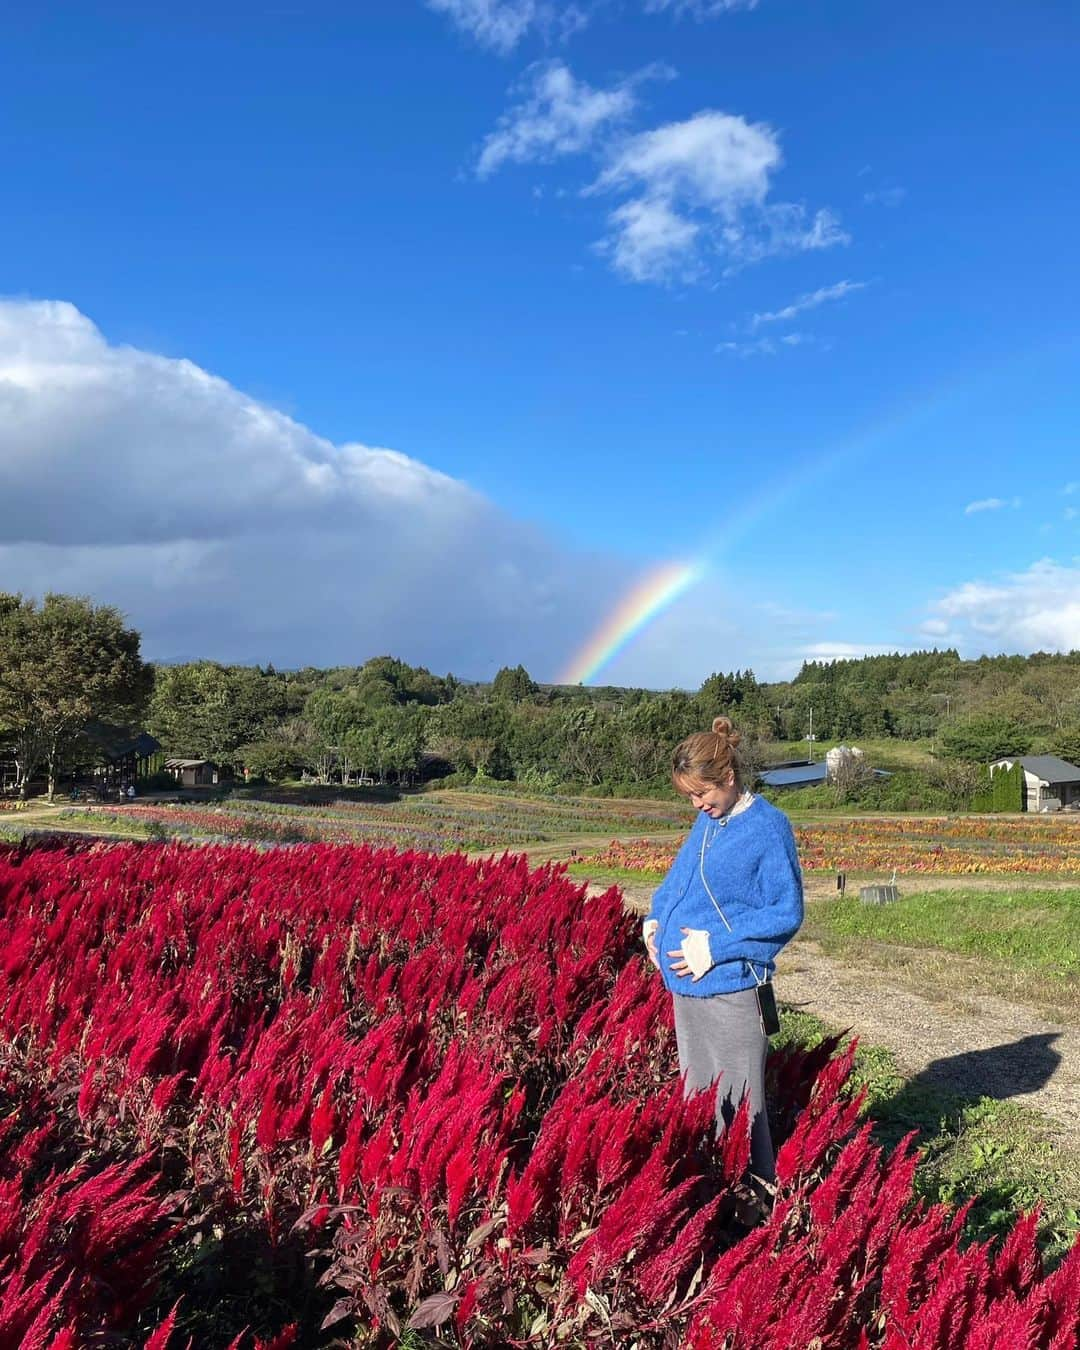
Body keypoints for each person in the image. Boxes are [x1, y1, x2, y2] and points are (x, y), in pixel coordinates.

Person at [643, 716, 803, 1183]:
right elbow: (680, 880)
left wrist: (716, 946)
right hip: (686, 988)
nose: (698, 805)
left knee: (741, 1105)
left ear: (728, 778)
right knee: (699, 1097)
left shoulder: (768, 827)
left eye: (702, 794)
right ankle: (710, 1190)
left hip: (731, 990)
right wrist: (656, 921)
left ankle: (755, 1201)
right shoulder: (706, 823)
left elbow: (785, 910)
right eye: (690, 796)